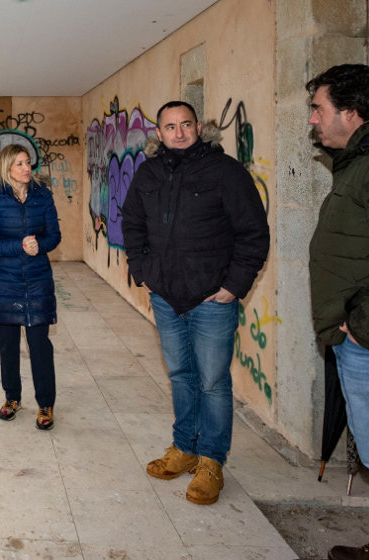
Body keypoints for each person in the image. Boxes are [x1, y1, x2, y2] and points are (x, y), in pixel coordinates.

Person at [122, 100, 270, 505]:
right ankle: (185, 448)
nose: (179, 133)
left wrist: (233, 287)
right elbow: (132, 224)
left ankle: (211, 461)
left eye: (186, 124)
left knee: (213, 382)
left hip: (212, 300)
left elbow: (254, 233)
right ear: (159, 133)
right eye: (170, 127)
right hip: (167, 298)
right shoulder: (148, 172)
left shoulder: (225, 172)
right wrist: (145, 272)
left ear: (199, 126)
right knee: (181, 376)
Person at [306, 64, 369, 560]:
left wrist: (363, 328)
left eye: (319, 109)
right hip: (363, 336)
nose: (314, 121)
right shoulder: (363, 160)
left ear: (352, 113)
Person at [0, 144, 61, 430]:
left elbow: (54, 235)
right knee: (8, 346)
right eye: (20, 164)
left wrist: (40, 246)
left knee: (40, 345)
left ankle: (46, 404)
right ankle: (12, 398)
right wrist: (19, 246)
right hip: (4, 282)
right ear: (6, 167)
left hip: (38, 279)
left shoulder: (43, 196)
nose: (27, 169)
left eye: (28, 163)